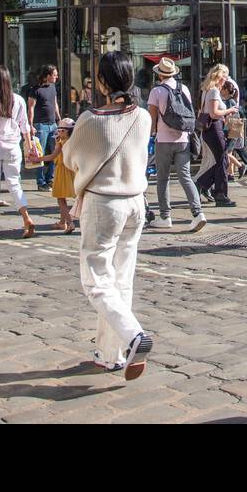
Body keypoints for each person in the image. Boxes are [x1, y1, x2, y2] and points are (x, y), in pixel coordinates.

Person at [61, 51, 154, 379]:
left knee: (97, 280)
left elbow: (71, 158)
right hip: (135, 203)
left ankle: (132, 336)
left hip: (104, 204)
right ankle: (109, 353)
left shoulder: (90, 119)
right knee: (120, 280)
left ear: (102, 82)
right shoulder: (143, 117)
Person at [146, 57, 206, 232]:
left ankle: (165, 216)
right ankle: (198, 213)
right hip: (183, 139)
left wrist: (147, 137)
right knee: (185, 177)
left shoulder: (156, 92)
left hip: (164, 140)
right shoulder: (184, 88)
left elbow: (152, 118)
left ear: (159, 75)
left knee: (162, 179)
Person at [0, 66, 36, 239]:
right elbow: (25, 126)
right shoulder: (18, 100)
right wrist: (29, 146)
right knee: (15, 183)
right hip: (13, 146)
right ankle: (26, 218)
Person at [193, 64, 235, 208]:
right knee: (223, 159)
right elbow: (213, 113)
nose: (227, 79)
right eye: (225, 76)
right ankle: (215, 191)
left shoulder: (207, 90)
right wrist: (230, 110)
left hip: (210, 129)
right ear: (219, 76)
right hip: (214, 128)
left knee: (221, 161)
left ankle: (209, 188)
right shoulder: (214, 91)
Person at [32, 66, 61, 192]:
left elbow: (54, 103)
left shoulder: (53, 87)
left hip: (52, 124)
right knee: (40, 153)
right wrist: (30, 124)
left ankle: (50, 179)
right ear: (47, 75)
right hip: (40, 125)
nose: (56, 77)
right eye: (54, 74)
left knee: (55, 152)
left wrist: (58, 118)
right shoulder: (35, 89)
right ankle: (41, 181)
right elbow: (31, 108)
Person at [49, 119, 77, 233]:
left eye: (61, 130)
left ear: (67, 131)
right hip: (72, 171)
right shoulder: (72, 142)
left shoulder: (62, 143)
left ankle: (70, 223)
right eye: (58, 130)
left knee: (60, 199)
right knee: (64, 198)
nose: (59, 132)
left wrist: (37, 159)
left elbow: (53, 157)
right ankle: (62, 222)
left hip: (62, 172)